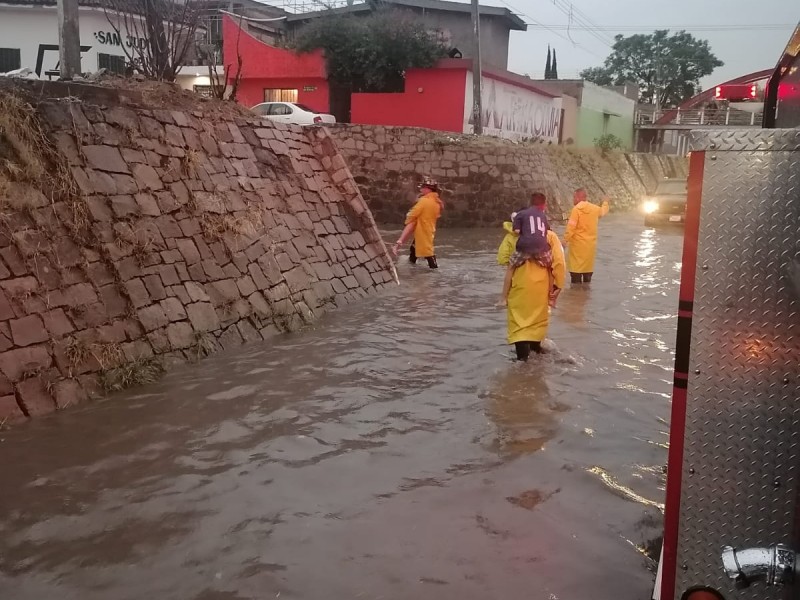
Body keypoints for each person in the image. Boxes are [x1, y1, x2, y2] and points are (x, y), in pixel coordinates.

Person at [506, 228, 565, 361]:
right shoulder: (550, 236)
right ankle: (536, 357)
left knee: (519, 324)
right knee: (536, 322)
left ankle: (522, 361)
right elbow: (559, 263)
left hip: (518, 286)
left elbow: (502, 257)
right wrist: (558, 285)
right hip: (541, 286)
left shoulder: (512, 236)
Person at [499, 193, 557, 308]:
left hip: (525, 246)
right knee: (551, 269)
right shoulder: (543, 216)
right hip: (541, 247)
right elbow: (546, 231)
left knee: (511, 267)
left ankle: (503, 299)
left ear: (531, 202)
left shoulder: (521, 214)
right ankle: (551, 300)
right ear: (543, 205)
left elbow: (516, 231)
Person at [391, 177, 443, 269]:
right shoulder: (437, 202)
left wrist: (402, 238)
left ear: (427, 189)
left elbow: (412, 215)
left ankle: (434, 269)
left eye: (422, 187)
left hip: (423, 230)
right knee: (414, 249)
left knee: (428, 252)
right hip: (428, 230)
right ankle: (412, 265)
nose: (421, 189)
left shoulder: (424, 201)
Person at [563, 188, 610, 284]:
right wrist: (605, 202)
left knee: (575, 277)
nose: (573, 200)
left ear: (578, 197)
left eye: (574, 197)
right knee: (587, 279)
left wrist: (565, 240)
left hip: (577, 248)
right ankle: (586, 296)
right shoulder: (594, 208)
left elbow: (571, 227)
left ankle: (576, 296)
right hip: (589, 248)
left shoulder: (576, 210)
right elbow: (603, 211)